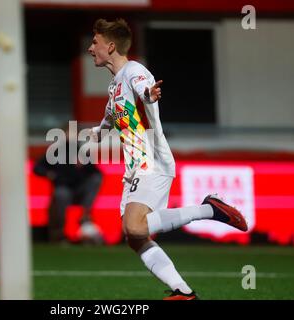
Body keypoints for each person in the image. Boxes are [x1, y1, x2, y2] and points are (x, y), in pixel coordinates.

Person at [87, 18, 248, 300]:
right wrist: (98, 132)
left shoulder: (135, 72)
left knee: (135, 227)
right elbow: (112, 115)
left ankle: (210, 210)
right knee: (134, 238)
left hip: (152, 160)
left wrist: (149, 96)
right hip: (136, 166)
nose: (91, 48)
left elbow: (144, 91)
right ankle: (183, 293)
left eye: (95, 43)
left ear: (110, 46)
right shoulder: (114, 86)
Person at [33, 128, 103, 244]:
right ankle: (59, 234)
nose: (72, 136)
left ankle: (85, 217)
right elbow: (37, 168)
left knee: (96, 179)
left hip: (79, 189)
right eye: (69, 133)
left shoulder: (80, 151)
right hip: (63, 187)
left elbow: (96, 173)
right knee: (61, 195)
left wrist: (84, 165)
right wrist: (49, 174)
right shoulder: (55, 151)